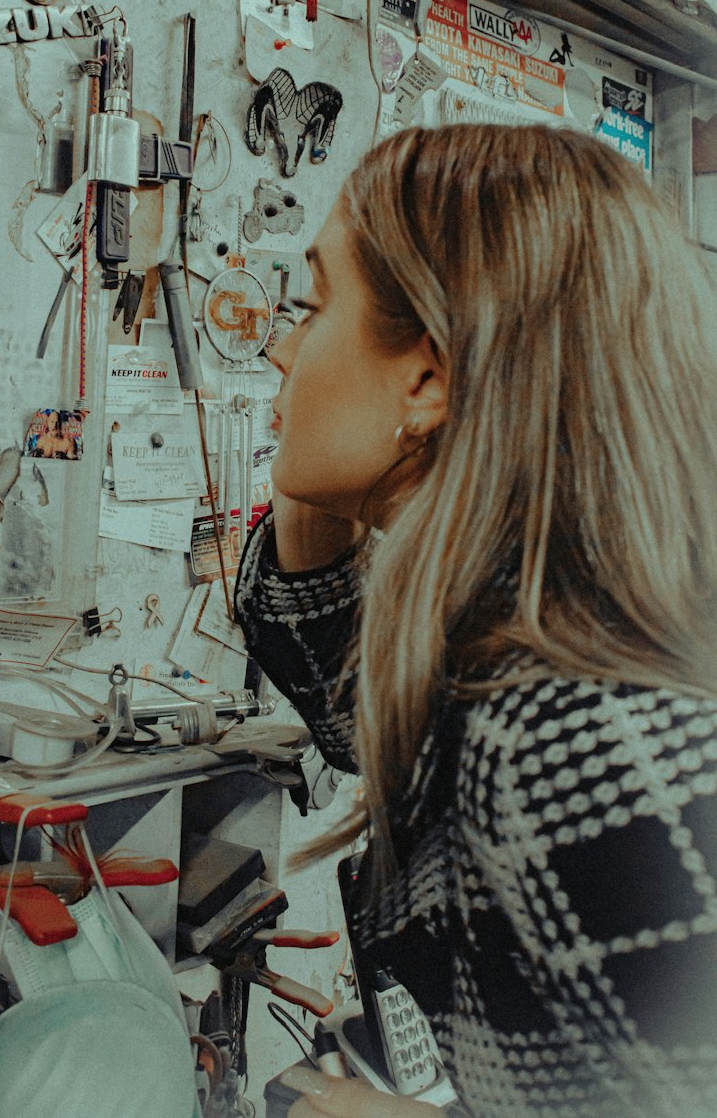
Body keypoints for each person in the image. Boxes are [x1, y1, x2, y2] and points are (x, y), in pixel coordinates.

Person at [234, 124, 717, 1118]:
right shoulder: (507, 654)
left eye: (315, 304)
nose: (281, 345)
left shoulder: (581, 733)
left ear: (428, 378)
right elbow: (360, 708)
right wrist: (331, 470)